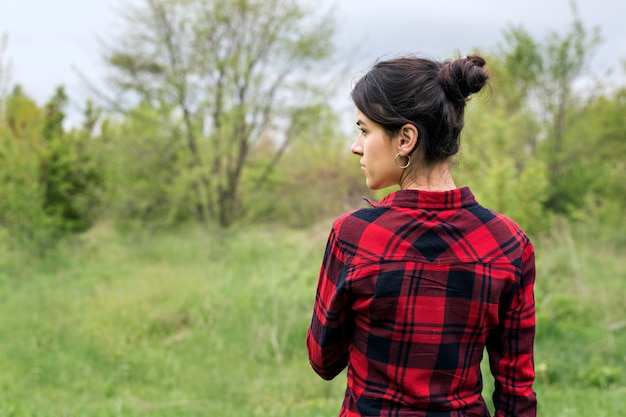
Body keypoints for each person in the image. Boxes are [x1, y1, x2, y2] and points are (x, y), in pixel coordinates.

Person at [306, 54, 536, 417]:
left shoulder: (354, 236)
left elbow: (323, 360)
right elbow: (516, 392)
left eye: (365, 130)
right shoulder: (508, 242)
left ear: (406, 139)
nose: (356, 145)